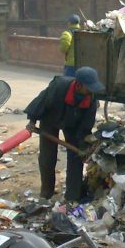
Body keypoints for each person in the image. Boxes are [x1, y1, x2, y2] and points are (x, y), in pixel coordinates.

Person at [25, 66, 104, 203]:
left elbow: (85, 126)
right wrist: (32, 120)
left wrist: (83, 147)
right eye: (89, 87)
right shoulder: (59, 86)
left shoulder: (90, 99)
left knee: (76, 158)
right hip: (50, 118)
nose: (91, 91)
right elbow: (40, 102)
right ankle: (46, 192)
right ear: (78, 85)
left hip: (73, 124)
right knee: (47, 157)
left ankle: (72, 196)